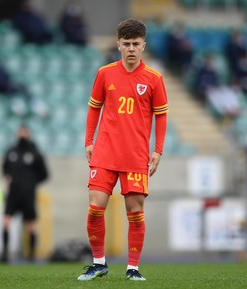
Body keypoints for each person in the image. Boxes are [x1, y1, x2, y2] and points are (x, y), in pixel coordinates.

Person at [77, 18, 168, 282]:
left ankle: (132, 268)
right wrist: (88, 142)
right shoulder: (105, 73)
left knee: (135, 212)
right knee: (95, 207)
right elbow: (94, 107)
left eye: (135, 44)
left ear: (143, 46)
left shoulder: (154, 79)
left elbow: (161, 116)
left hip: (135, 156)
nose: (130, 48)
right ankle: (98, 263)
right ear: (118, 45)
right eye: (126, 43)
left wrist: (158, 150)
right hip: (105, 153)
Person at [0, 125, 49, 263]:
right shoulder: (11, 151)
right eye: (20, 132)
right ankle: (4, 255)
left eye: (24, 132)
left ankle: (31, 255)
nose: (22, 135)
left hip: (28, 194)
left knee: (31, 224)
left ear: (29, 134)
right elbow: (4, 169)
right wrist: (7, 177)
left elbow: (44, 174)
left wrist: (31, 183)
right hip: (13, 194)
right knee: (5, 222)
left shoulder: (35, 153)